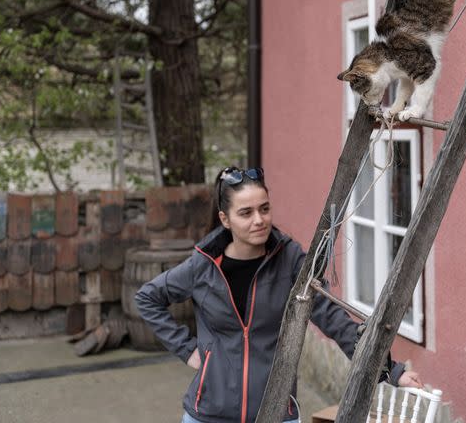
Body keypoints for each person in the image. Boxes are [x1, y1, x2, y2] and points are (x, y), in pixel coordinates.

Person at [135, 166, 422, 423]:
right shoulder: (204, 265)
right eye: (246, 213)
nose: (259, 220)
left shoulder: (290, 259)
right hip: (209, 413)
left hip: (277, 412)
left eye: (264, 208)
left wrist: (391, 372)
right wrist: (188, 351)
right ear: (225, 219)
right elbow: (147, 298)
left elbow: (331, 317)